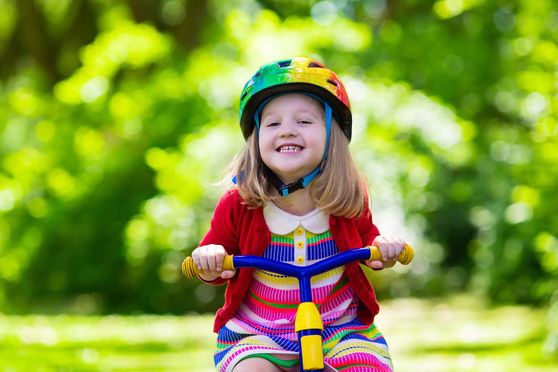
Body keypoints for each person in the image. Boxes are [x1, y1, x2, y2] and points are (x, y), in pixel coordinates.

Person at [190, 57, 407, 372]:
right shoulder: (239, 203)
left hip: (339, 327)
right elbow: (211, 262)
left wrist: (384, 249)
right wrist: (209, 258)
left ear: (332, 135)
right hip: (260, 331)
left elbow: (370, 243)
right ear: (256, 138)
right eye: (273, 123)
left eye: (304, 121)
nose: (287, 131)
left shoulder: (347, 195)